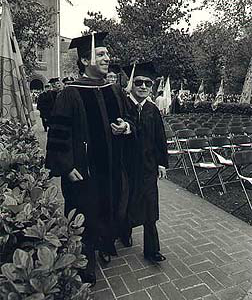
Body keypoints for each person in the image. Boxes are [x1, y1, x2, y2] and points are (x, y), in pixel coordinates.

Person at [45, 32, 134, 286]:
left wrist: (124, 127)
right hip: (84, 170)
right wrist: (66, 165)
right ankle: (86, 264)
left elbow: (129, 119)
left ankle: (106, 244)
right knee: (85, 213)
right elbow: (59, 132)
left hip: (112, 167)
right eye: (101, 54)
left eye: (107, 54)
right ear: (85, 61)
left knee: (110, 205)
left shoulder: (114, 90)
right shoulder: (70, 94)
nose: (108, 58)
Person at [121, 61, 168, 262]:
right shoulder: (123, 105)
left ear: (152, 87)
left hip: (148, 167)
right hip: (126, 166)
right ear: (132, 83)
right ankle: (125, 232)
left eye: (148, 84)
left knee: (150, 205)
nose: (143, 86)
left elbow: (160, 138)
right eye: (139, 82)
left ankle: (152, 250)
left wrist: (162, 163)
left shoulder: (152, 109)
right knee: (126, 202)